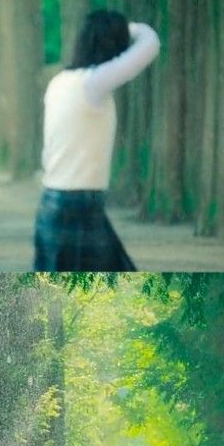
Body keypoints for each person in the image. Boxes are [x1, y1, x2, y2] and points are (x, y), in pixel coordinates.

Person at [34, 13, 160, 271]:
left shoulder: (60, 82)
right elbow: (150, 44)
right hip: (78, 204)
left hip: (53, 199)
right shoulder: (94, 82)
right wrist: (130, 27)